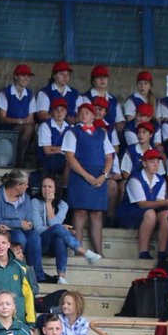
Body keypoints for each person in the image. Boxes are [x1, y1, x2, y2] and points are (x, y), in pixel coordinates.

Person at [62, 102, 115, 256]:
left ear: (93, 116)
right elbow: (70, 158)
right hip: (80, 176)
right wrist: (86, 175)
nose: (84, 115)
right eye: (81, 112)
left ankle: (99, 251)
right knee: (80, 212)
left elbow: (109, 157)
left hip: (99, 176)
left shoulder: (101, 133)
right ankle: (78, 251)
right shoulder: (72, 132)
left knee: (97, 213)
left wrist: (104, 176)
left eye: (87, 112)